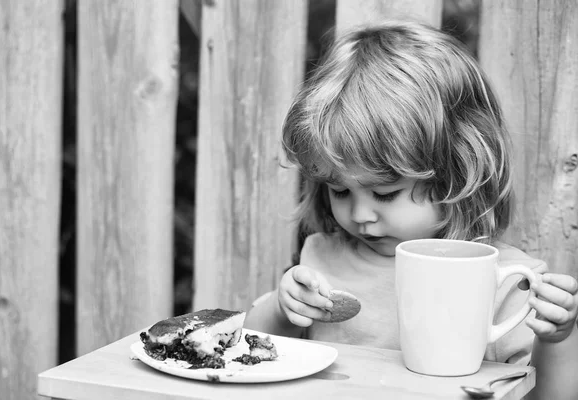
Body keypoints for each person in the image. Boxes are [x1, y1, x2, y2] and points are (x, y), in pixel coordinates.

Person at [243, 20, 578, 399]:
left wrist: (558, 341)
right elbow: (250, 346)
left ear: (459, 171)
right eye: (339, 191)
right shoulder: (321, 261)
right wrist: (282, 309)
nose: (360, 215)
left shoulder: (506, 282)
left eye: (385, 193)